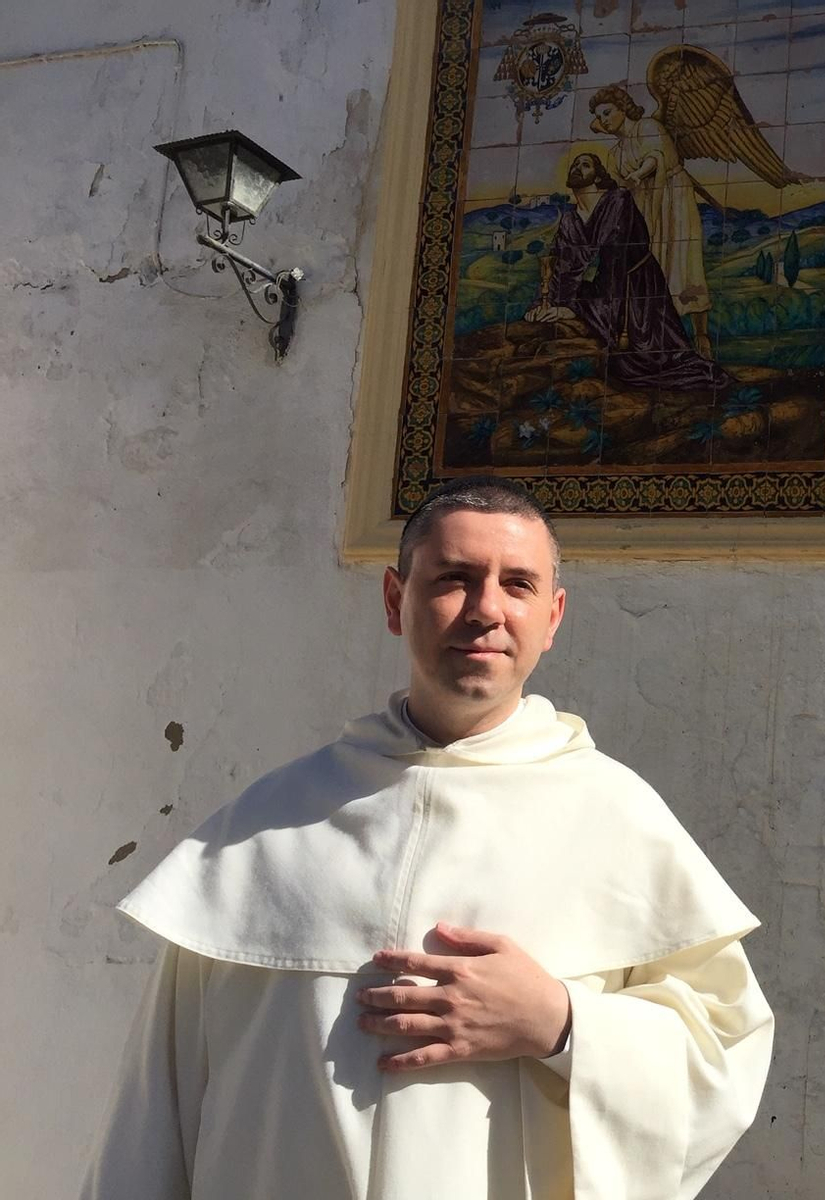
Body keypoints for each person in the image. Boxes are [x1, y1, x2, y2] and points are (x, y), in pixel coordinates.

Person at [82, 476, 774, 1199]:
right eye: (455, 579)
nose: (487, 611)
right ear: (394, 599)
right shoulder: (265, 827)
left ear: (553, 615)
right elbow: (153, 1108)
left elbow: (722, 1057)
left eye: (518, 584)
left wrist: (562, 1024)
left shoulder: (617, 816)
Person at [527, 152, 733, 394]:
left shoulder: (618, 200)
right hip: (607, 287)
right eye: (574, 164)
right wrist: (544, 303)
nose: (578, 168)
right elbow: (563, 267)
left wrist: (573, 308)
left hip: (636, 288)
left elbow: (615, 260)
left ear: (599, 176)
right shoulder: (571, 220)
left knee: (647, 359)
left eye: (585, 165)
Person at [587, 86, 713, 357]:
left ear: (623, 109)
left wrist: (639, 174)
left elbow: (656, 157)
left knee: (682, 263)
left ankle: (702, 337)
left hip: (672, 198)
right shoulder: (615, 154)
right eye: (601, 117)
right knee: (652, 269)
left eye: (608, 112)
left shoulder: (647, 126)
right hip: (643, 209)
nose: (605, 120)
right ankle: (662, 338)